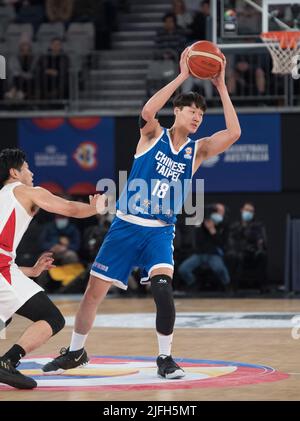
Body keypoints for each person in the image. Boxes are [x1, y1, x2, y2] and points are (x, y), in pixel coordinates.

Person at [43, 48, 241, 379]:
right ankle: (76, 351)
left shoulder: (198, 150)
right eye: (191, 111)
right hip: (125, 226)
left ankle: (165, 358)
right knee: (92, 294)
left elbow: (234, 133)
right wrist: (182, 76)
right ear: (177, 111)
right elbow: (148, 111)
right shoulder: (153, 135)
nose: (196, 118)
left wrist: (221, 86)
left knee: (163, 290)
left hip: (160, 232)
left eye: (200, 115)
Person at [0, 148, 100, 389]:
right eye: (26, 168)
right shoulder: (25, 191)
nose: (31, 172)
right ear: (14, 172)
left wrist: (32, 272)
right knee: (52, 318)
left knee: (9, 317)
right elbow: (68, 208)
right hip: (3, 269)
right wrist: (94, 208)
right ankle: (7, 362)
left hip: (6, 268)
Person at [178, 203, 230, 290]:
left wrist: (212, 230)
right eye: (215, 210)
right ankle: (193, 284)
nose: (217, 212)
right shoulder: (201, 221)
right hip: (199, 254)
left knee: (219, 269)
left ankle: (227, 285)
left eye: (220, 211)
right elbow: (195, 225)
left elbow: (222, 243)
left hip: (213, 254)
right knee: (183, 269)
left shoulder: (224, 225)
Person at [226, 202, 268, 291]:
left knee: (262, 255)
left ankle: (262, 286)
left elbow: (262, 240)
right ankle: (233, 286)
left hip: (252, 252)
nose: (248, 213)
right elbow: (231, 241)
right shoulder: (235, 226)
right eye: (247, 210)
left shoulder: (258, 226)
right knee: (234, 256)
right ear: (242, 210)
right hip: (239, 251)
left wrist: (259, 244)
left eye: (251, 211)